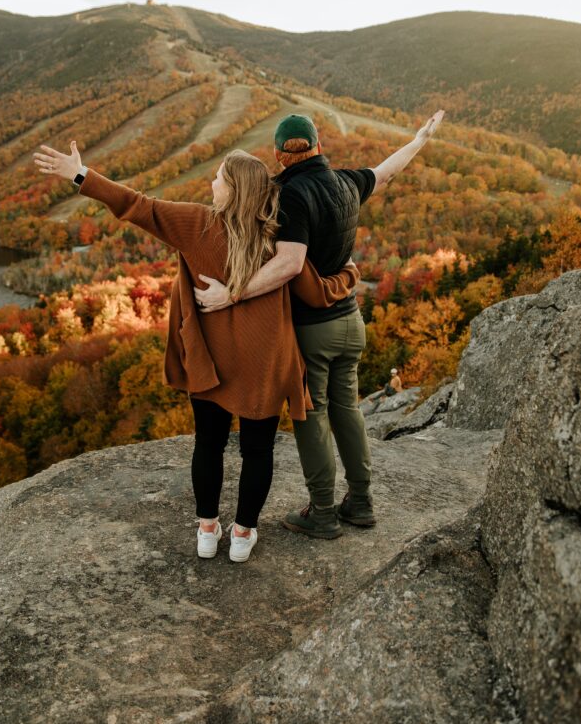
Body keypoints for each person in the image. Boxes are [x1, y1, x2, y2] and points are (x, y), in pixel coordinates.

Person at [32, 142, 359, 563]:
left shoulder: (197, 225)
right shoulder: (279, 236)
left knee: (209, 443)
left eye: (218, 177)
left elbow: (136, 205)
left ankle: (208, 530)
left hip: (212, 359)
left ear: (232, 190)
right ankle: (242, 536)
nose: (211, 182)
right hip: (265, 361)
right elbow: (314, 288)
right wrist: (347, 276)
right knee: (257, 452)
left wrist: (80, 175)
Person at [195, 109, 445, 538]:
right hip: (350, 320)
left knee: (313, 416)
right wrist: (419, 140)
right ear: (319, 146)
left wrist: (230, 293)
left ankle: (324, 511)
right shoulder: (347, 182)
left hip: (312, 327)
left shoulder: (288, 194)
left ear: (277, 155)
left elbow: (290, 265)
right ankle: (361, 502)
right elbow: (385, 172)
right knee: (348, 409)